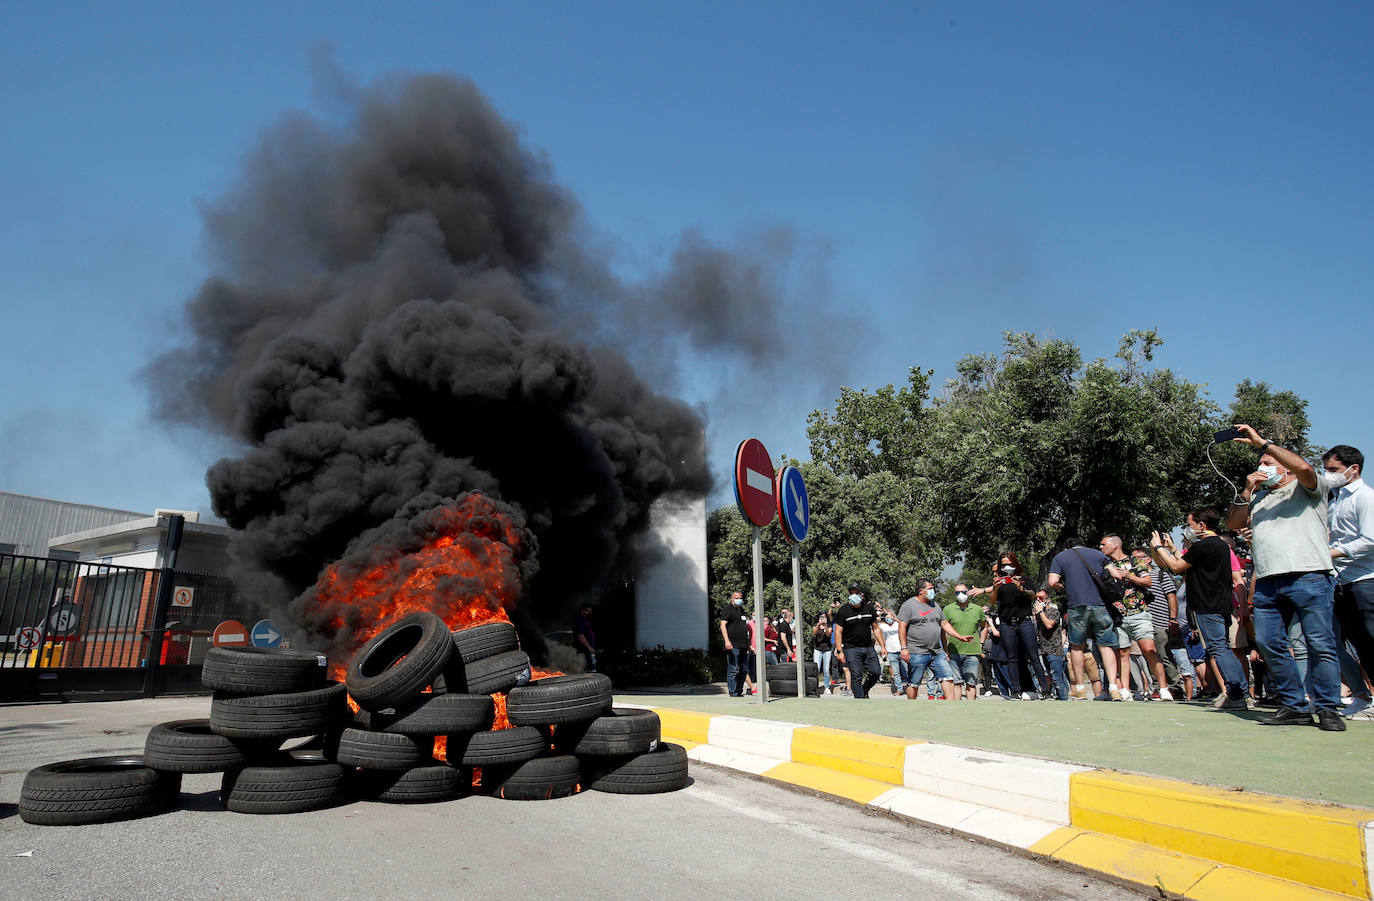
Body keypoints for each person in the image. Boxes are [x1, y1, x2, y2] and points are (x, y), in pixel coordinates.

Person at [1225, 426, 1345, 730]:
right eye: (1261, 463)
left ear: (1285, 467)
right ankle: (1294, 705)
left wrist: (1264, 443)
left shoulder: (1309, 488)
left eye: (1268, 463)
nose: (1262, 468)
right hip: (1268, 581)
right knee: (1267, 643)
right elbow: (1234, 522)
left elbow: (1304, 467)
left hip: (1309, 575)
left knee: (1320, 644)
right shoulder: (1260, 499)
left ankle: (1328, 708)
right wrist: (1246, 491)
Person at [1152, 509, 1251, 709]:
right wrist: (1171, 549)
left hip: (1208, 605)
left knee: (1219, 649)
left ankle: (1237, 694)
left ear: (1201, 525)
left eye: (1190, 525)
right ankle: (1241, 692)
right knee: (1223, 648)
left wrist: (1158, 548)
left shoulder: (1204, 545)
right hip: (1220, 603)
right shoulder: (1220, 545)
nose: (1188, 529)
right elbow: (1189, 564)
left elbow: (1176, 567)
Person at [1325, 445, 1374, 719]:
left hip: (1365, 580)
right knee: (1352, 642)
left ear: (1353, 468)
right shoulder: (1336, 499)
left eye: (1333, 470)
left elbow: (1370, 540)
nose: (1328, 475)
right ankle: (1362, 697)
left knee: (1369, 640)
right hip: (1341, 581)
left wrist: (1331, 552)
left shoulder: (1366, 498)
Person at [1047, 539, 1124, 701]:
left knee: (1076, 646)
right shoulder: (1099, 554)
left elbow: (1052, 581)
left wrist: (1063, 586)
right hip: (1100, 605)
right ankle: (1114, 687)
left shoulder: (1061, 557)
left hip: (1077, 605)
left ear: (1067, 546)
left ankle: (1080, 689)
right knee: (1106, 646)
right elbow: (1117, 575)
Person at [1101, 536, 1169, 700]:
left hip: (1139, 612)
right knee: (1123, 652)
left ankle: (1163, 688)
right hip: (1118, 615)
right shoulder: (1104, 566)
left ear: (1115, 545)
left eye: (1104, 544)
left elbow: (1148, 581)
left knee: (1148, 649)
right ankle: (1125, 689)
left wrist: (1130, 576)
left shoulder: (1135, 561)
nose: (1100, 547)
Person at [897, 580, 970, 701]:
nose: (933, 591)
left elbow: (944, 624)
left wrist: (959, 636)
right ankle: (911, 706)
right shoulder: (909, 605)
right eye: (930, 588)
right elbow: (902, 626)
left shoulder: (935, 605)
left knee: (948, 677)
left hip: (937, 652)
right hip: (917, 652)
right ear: (921, 591)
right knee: (914, 683)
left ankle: (951, 705)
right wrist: (904, 648)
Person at [833, 584, 883, 699]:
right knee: (856, 676)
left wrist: (883, 646)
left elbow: (876, 628)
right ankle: (860, 700)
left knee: (876, 672)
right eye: (851, 593)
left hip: (868, 647)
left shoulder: (869, 608)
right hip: (851, 648)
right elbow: (838, 632)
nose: (853, 595)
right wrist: (840, 650)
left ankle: (865, 689)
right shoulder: (843, 611)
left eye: (856, 593)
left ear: (862, 595)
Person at [943, 583, 987, 700]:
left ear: (968, 592)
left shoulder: (977, 609)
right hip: (954, 651)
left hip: (972, 652)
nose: (961, 594)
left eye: (963, 592)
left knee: (971, 683)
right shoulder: (948, 609)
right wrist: (945, 649)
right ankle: (957, 710)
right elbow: (943, 629)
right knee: (957, 683)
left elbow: (984, 626)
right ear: (954, 594)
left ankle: (971, 709)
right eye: (957, 592)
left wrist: (981, 643)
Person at [1034, 587, 1068, 700]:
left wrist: (1040, 612)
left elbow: (1049, 625)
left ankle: (1064, 699)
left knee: (1057, 678)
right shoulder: (1039, 615)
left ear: (1047, 599)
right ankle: (1057, 697)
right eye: (1036, 598)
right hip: (1044, 650)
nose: (1038, 600)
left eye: (1041, 598)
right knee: (1050, 677)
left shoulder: (1053, 611)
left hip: (1054, 650)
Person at [719, 591, 750, 697]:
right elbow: (723, 625)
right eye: (737, 598)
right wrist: (727, 641)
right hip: (733, 645)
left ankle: (739, 690)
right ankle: (733, 692)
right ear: (732, 599)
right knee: (734, 669)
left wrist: (749, 644)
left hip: (744, 645)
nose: (739, 600)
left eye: (740, 598)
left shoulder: (742, 611)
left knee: (744, 669)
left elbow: (744, 629)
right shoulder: (728, 609)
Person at [878, 610, 906, 695]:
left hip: (901, 650)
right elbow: (875, 626)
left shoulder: (897, 624)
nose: (888, 619)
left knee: (906, 670)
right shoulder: (883, 626)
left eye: (889, 618)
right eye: (886, 618)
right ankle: (899, 689)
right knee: (896, 672)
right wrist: (879, 617)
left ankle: (909, 688)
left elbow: (903, 623)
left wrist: (893, 618)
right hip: (891, 652)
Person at [812, 611, 834, 695]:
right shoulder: (816, 625)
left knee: (826, 669)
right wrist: (818, 625)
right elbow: (814, 633)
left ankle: (827, 687)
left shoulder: (829, 625)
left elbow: (828, 635)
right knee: (816, 669)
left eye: (824, 617)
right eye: (821, 617)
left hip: (827, 649)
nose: (823, 619)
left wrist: (825, 626)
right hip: (817, 649)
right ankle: (815, 687)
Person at [573, 602, 598, 673]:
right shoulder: (579, 620)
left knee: (592, 670)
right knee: (589, 672)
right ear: (582, 610)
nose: (589, 613)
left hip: (589, 651)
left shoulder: (584, 620)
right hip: (585, 651)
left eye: (590, 611)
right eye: (587, 611)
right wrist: (589, 647)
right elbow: (580, 636)